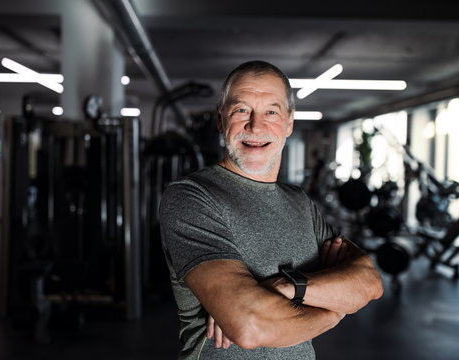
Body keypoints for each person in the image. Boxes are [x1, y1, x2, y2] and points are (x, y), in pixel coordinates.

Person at [159, 60, 383, 359]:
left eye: (271, 112)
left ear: (289, 122)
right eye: (241, 110)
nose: (255, 126)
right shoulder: (192, 197)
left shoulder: (301, 203)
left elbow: (369, 283)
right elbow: (249, 325)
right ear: (220, 118)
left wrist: (287, 288)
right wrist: (333, 311)